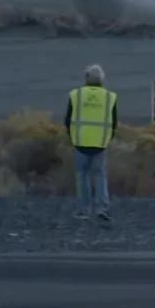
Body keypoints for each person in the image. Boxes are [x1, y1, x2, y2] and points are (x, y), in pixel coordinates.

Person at [65, 64, 118, 221]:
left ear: (87, 78)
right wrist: (108, 138)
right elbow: (114, 122)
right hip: (100, 143)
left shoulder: (76, 95)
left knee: (82, 176)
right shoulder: (110, 97)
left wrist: (72, 136)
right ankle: (102, 208)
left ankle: (84, 210)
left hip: (80, 142)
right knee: (100, 175)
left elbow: (68, 119)